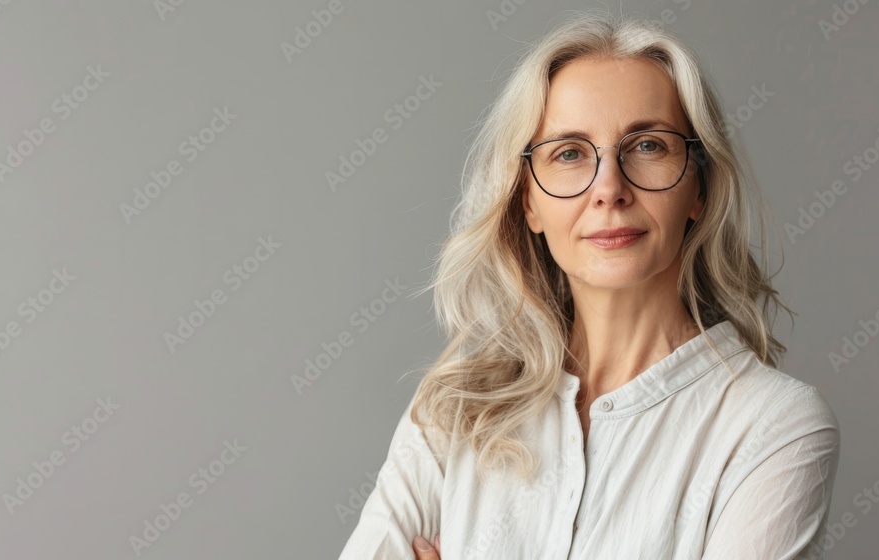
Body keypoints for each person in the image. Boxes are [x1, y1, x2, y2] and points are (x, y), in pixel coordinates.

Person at [339, 10, 840, 560]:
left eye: (648, 145)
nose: (609, 189)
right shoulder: (454, 412)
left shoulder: (774, 428)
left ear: (699, 186)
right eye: (569, 153)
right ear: (527, 200)